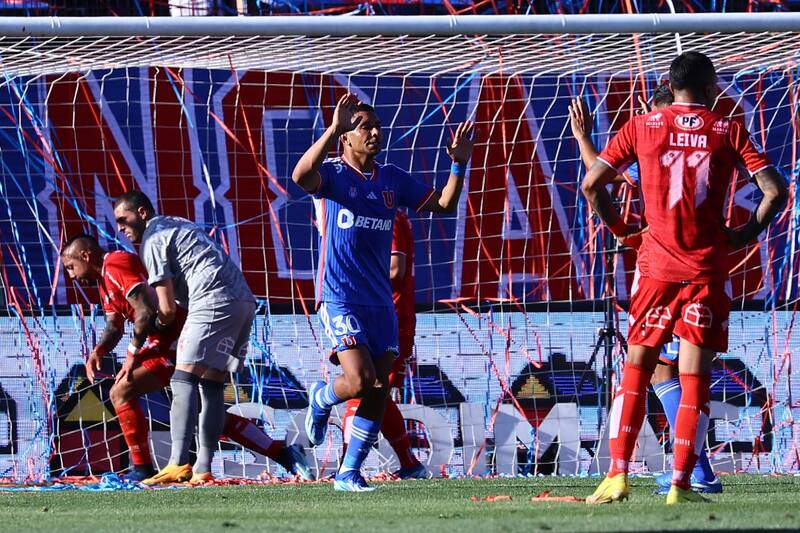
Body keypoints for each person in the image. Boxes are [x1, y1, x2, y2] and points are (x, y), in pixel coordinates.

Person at [580, 51, 786, 504]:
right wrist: (744, 234)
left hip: (655, 267)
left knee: (639, 368)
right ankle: (680, 484)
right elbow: (776, 191)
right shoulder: (727, 130)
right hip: (706, 269)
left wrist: (623, 231)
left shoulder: (642, 125)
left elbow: (592, 184)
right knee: (695, 379)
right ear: (712, 86)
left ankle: (617, 475)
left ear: (669, 87)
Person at [292, 94, 475, 491]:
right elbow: (300, 176)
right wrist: (333, 129)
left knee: (379, 386)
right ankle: (322, 398)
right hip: (339, 295)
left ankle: (348, 473)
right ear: (346, 137)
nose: (374, 133)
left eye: (377, 127)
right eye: (364, 127)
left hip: (380, 303)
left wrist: (458, 163)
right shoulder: (334, 175)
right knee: (358, 381)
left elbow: (444, 204)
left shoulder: (392, 179)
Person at [61, 234, 313, 482]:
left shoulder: (115, 264)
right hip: (167, 341)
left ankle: (142, 468)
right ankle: (284, 453)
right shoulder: (105, 281)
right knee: (205, 413)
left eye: (71, 267)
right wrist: (98, 351)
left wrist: (131, 355)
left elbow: (145, 311)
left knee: (121, 392)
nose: (71, 276)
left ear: (86, 255)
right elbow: (115, 325)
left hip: (178, 341)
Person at [569, 85, 721, 494]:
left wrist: (623, 231)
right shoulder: (695, 140)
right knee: (670, 370)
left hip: (663, 270)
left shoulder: (656, 143)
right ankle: (693, 471)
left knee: (658, 368)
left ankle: (696, 471)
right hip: (696, 268)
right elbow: (607, 177)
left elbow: (597, 180)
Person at [112, 190, 260, 485]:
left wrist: (151, 328)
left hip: (213, 301)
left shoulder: (153, 239)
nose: (119, 227)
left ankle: (178, 462)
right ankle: (203, 467)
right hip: (243, 304)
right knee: (212, 383)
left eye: (122, 219)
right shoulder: (178, 223)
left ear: (142, 213)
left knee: (183, 378)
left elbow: (166, 309)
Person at [341, 209, 428, 480]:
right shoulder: (359, 214)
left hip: (390, 318)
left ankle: (348, 467)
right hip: (369, 315)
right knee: (371, 389)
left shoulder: (384, 215)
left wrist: (349, 278)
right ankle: (409, 463)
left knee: (366, 388)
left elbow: (395, 268)